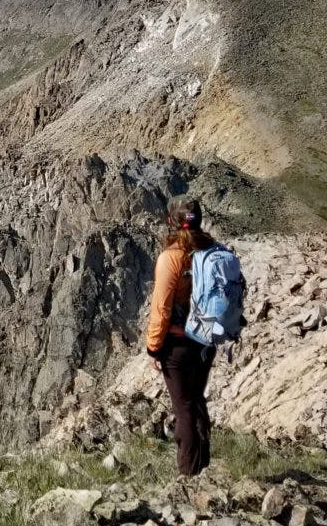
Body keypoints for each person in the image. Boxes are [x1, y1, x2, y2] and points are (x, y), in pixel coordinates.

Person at [145, 194, 217, 476]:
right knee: (196, 399)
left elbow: (161, 308)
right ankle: (204, 465)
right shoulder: (212, 251)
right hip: (206, 341)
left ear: (171, 222)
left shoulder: (171, 258)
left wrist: (153, 347)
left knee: (184, 407)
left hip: (178, 344)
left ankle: (189, 473)